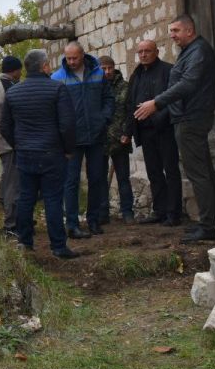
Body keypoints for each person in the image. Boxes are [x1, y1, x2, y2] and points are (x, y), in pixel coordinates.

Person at [134, 14, 215, 243]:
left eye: (175, 31)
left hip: (192, 119)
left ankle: (208, 226)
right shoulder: (190, 51)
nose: (171, 35)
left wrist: (157, 102)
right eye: (171, 31)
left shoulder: (198, 51)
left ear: (189, 30)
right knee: (204, 173)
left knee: (198, 174)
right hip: (186, 118)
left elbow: (188, 84)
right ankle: (211, 223)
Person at [0, 49, 79, 259]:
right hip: (52, 153)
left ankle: (25, 243)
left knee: (26, 198)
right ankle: (59, 247)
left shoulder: (13, 93)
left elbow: (4, 127)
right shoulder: (57, 89)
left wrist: (19, 145)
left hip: (25, 155)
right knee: (53, 199)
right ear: (44, 66)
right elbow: (67, 125)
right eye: (48, 64)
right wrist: (69, 150)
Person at [51, 42, 114, 238]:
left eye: (74, 58)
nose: (71, 62)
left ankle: (93, 220)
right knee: (71, 182)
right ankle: (72, 224)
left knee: (96, 179)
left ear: (82, 55)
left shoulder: (97, 73)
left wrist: (103, 118)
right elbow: (54, 108)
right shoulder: (57, 78)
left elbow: (109, 99)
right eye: (68, 58)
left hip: (95, 135)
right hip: (71, 139)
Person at [123, 40, 182, 226]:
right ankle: (159, 210)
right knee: (154, 172)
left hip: (165, 129)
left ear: (157, 51)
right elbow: (130, 104)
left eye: (147, 51)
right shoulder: (137, 75)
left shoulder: (168, 70)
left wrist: (160, 117)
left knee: (171, 171)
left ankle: (173, 213)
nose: (143, 55)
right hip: (145, 131)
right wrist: (128, 131)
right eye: (140, 51)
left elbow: (175, 99)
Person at [0, 56, 23, 236]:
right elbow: (10, 119)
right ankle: (11, 224)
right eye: (19, 70)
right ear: (14, 70)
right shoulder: (6, 88)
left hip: (1, 139)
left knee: (7, 179)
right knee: (12, 183)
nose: (20, 73)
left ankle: (14, 214)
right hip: (7, 142)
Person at [98, 55, 135, 223]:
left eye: (109, 68)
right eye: (103, 69)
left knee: (123, 178)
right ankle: (103, 213)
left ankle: (127, 212)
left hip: (120, 140)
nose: (107, 72)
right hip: (99, 140)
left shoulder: (125, 87)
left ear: (114, 68)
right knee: (99, 179)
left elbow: (131, 112)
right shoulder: (94, 88)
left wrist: (127, 133)